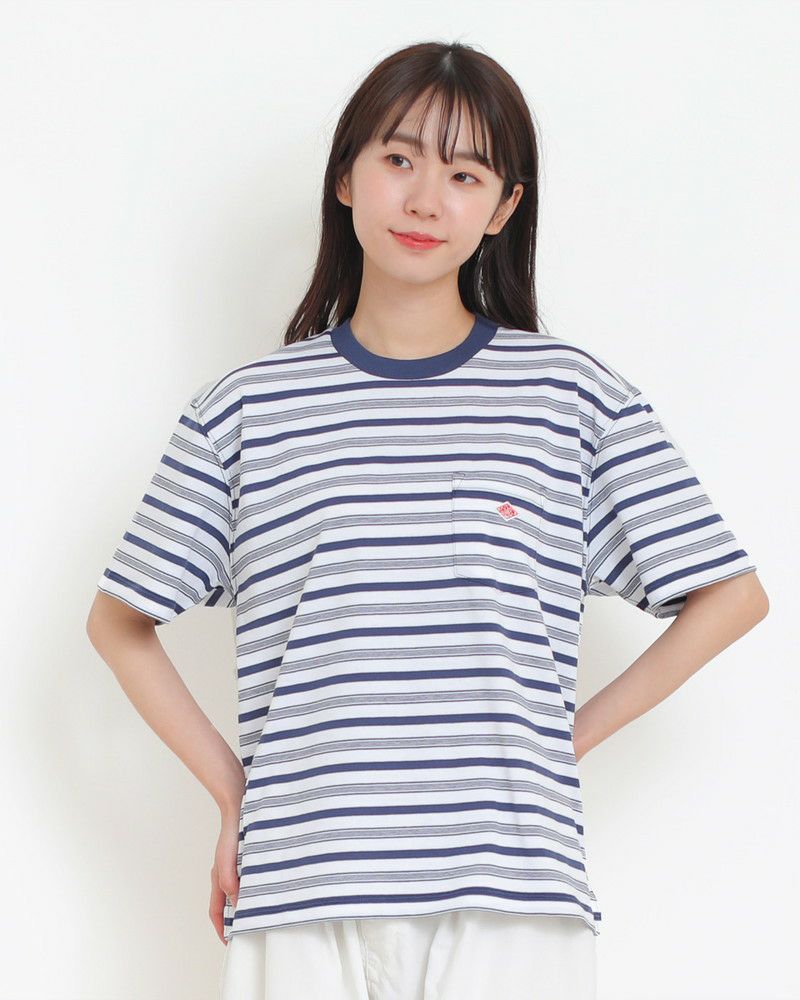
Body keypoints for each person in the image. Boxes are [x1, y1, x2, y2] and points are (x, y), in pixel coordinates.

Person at [86, 40, 768, 1000]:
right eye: (399, 159)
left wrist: (559, 743)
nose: (424, 200)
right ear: (345, 177)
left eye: (465, 175)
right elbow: (118, 622)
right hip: (302, 882)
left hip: (510, 892)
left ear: (503, 208)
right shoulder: (246, 410)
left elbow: (732, 596)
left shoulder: (567, 396)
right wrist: (236, 794)